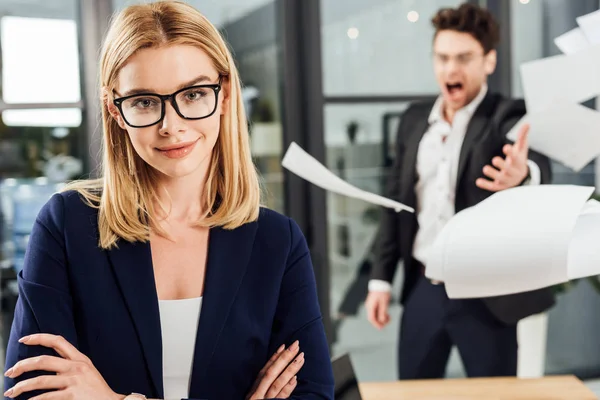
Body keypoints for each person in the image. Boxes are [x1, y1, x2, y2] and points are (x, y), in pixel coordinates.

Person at [3, 2, 334, 399]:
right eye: (144, 101)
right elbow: (29, 391)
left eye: (193, 94)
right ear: (115, 110)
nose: (171, 126)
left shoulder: (277, 242)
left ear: (225, 94)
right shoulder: (66, 227)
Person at [365, 3, 555, 380]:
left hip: (486, 295)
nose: (451, 68)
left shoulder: (507, 115)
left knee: (495, 394)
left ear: (489, 61)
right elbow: (396, 205)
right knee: (413, 391)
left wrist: (523, 173)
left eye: (464, 58)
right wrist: (380, 279)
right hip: (424, 286)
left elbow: (538, 163)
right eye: (443, 57)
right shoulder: (414, 120)